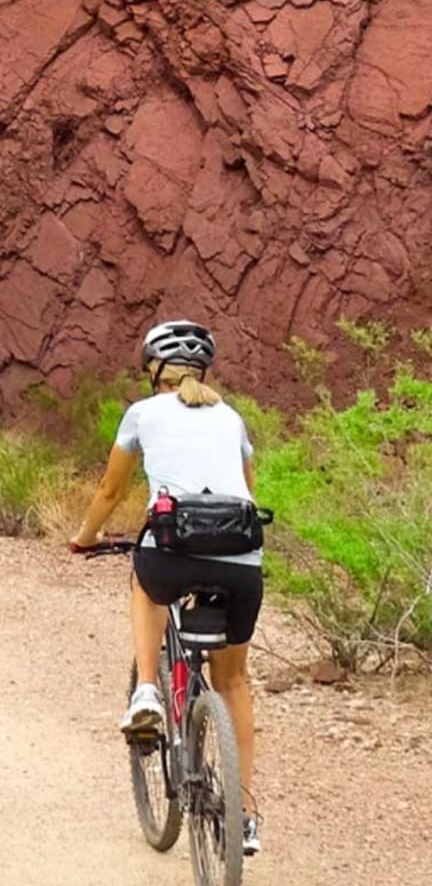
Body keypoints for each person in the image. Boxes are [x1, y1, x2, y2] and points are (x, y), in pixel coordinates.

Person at [69, 320, 264, 856]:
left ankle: (148, 691)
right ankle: (246, 816)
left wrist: (85, 537)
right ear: (204, 371)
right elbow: (247, 493)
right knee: (234, 680)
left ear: (154, 371)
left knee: (146, 580)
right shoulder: (231, 418)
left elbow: (111, 490)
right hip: (242, 562)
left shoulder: (142, 414)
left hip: (172, 554)